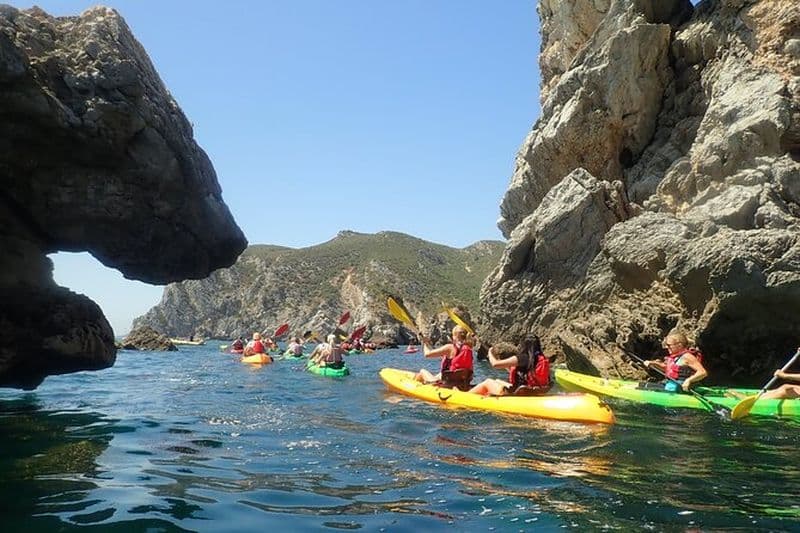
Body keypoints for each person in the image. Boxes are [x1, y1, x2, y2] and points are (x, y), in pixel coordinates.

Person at [468, 336, 552, 396]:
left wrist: (490, 353)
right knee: (497, 380)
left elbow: (495, 364)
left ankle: (465, 397)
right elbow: (522, 373)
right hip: (534, 391)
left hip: (520, 394)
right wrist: (506, 366)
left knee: (488, 382)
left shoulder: (522, 358)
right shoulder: (540, 358)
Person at [414, 325, 474, 390]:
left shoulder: (449, 347)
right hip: (463, 383)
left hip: (447, 384)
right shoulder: (469, 349)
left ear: (455, 336)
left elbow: (427, 354)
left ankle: (415, 389)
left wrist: (425, 343)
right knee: (439, 375)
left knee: (422, 371)